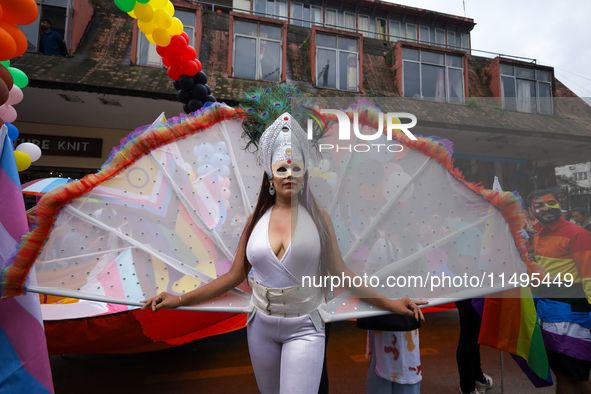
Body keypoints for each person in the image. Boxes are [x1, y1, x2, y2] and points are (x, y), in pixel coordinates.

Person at [141, 112, 426, 393]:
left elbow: (342, 274)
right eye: (281, 169)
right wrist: (178, 300)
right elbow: (233, 276)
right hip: (259, 329)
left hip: (305, 328)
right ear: (270, 177)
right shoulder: (255, 221)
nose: (289, 174)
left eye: (296, 168)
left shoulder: (319, 218)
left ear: (305, 175)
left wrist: (391, 304)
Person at [526, 190, 591, 394]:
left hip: (572, 317)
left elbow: (589, 278)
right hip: (548, 313)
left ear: (559, 204)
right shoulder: (539, 236)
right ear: (531, 211)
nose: (546, 208)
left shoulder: (578, 234)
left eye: (551, 203)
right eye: (539, 205)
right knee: (572, 374)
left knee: (569, 375)